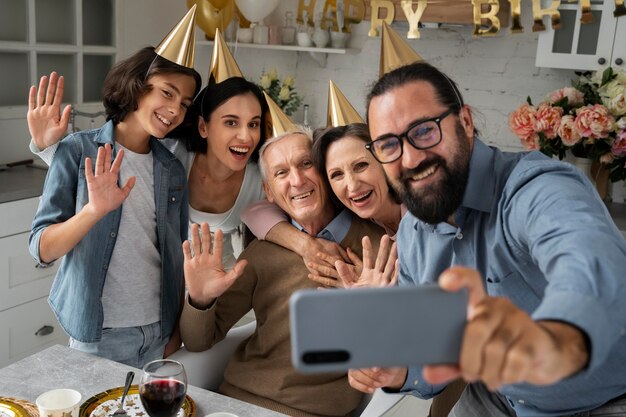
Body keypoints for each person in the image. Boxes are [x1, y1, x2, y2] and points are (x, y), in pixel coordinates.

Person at [347, 61, 626, 416]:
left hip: (606, 401)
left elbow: (591, 265)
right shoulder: (414, 234)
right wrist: (393, 369)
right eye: (389, 145)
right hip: (499, 399)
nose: (411, 158)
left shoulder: (536, 188)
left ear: (465, 122)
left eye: (424, 131)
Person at [28, 9, 203, 368]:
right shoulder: (77, 151)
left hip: (158, 329)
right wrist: (94, 210)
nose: (174, 110)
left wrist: (176, 328)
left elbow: (178, 255)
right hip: (98, 332)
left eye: (184, 104)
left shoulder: (171, 169)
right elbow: (41, 249)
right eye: (167, 93)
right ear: (138, 86)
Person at [179, 124, 391, 417]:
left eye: (307, 164)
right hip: (231, 401)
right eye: (281, 173)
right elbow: (198, 340)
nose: (297, 179)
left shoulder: (380, 247)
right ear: (269, 191)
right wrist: (200, 299)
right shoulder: (262, 253)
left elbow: (401, 349)